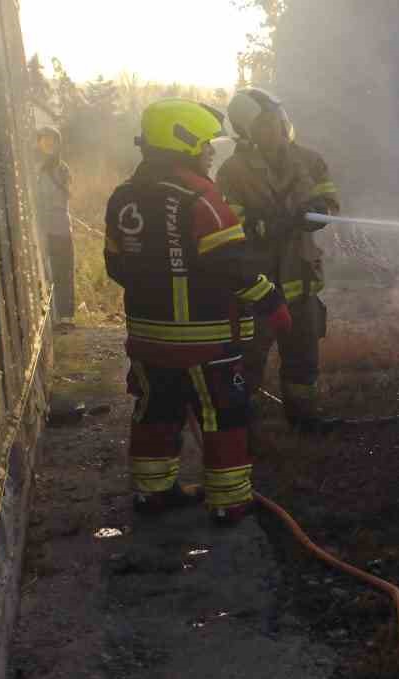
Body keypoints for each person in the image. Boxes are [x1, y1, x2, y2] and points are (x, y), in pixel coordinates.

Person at [104, 98, 293, 524]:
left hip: (148, 339)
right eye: (205, 143)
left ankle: (152, 493)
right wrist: (272, 302)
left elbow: (116, 266)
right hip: (208, 341)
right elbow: (234, 267)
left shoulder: (123, 199)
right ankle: (229, 501)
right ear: (183, 142)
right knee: (224, 414)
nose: (210, 151)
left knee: (156, 410)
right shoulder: (202, 199)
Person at [217, 87, 340, 433]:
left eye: (277, 119)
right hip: (258, 285)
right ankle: (242, 429)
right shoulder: (232, 171)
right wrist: (270, 224)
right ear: (247, 130)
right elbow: (231, 222)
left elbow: (330, 200)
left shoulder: (310, 161)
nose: (278, 127)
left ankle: (304, 419)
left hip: (302, 277)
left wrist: (319, 211)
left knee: (303, 356)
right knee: (248, 359)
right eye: (267, 122)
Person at [35, 125, 75, 329]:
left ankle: (65, 317)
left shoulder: (62, 169)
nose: (48, 144)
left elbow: (63, 196)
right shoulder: (35, 169)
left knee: (63, 271)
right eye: (44, 140)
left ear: (58, 144)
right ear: (38, 143)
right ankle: (51, 317)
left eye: (52, 140)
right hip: (42, 229)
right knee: (45, 273)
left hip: (60, 228)